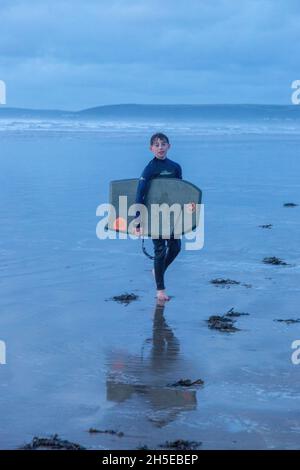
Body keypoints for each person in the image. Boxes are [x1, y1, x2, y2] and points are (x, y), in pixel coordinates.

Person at [135, 133, 182, 302]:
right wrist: (138, 221)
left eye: (163, 144)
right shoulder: (150, 169)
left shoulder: (175, 167)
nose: (160, 147)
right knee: (160, 251)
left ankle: (158, 271)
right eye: (156, 144)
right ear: (151, 148)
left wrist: (186, 209)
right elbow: (140, 194)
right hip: (153, 214)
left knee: (176, 248)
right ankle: (160, 290)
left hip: (171, 214)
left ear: (169, 146)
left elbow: (180, 192)